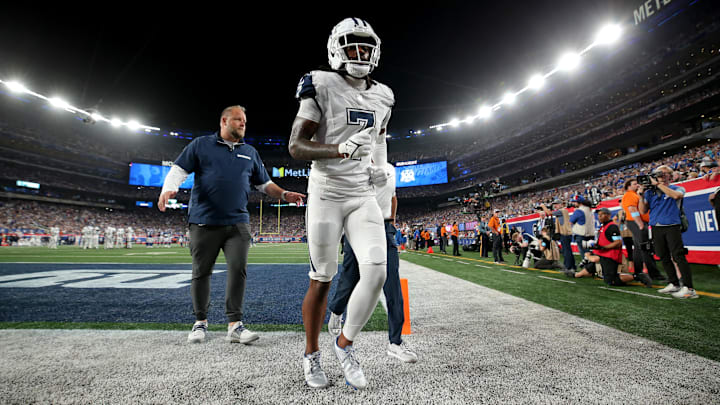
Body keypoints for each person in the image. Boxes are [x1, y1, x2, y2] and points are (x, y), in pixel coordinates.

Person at [289, 17, 393, 390]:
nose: (360, 53)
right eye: (353, 46)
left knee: (377, 270)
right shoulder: (321, 83)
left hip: (362, 193)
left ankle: (345, 344)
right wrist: (338, 149)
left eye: (366, 47)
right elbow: (296, 146)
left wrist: (380, 169)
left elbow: (379, 139)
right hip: (327, 192)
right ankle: (311, 355)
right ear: (337, 48)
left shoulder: (384, 95)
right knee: (322, 280)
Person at [159, 105, 305, 344]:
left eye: (244, 121)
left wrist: (284, 194)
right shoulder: (200, 145)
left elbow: (264, 184)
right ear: (224, 121)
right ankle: (200, 322)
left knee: (238, 270)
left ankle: (235, 325)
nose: (243, 124)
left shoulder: (250, 151)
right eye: (238, 120)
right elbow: (179, 169)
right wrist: (169, 189)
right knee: (201, 273)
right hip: (203, 221)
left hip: (237, 223)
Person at [327, 163, 417, 364]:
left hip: (384, 228)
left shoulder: (390, 169)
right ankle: (337, 310)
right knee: (350, 277)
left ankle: (395, 342)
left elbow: (393, 196)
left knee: (393, 285)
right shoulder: (355, 164)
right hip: (357, 225)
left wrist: (391, 221)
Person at [639, 166, 697, 298]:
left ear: (670, 176)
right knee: (663, 256)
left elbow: (677, 196)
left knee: (678, 256)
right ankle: (674, 283)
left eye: (663, 174)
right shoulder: (650, 192)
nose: (660, 176)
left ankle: (689, 288)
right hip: (656, 226)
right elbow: (642, 210)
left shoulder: (676, 188)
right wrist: (641, 195)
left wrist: (658, 184)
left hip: (672, 225)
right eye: (658, 174)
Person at [564, 208, 652, 288]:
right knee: (591, 266)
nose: (599, 217)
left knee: (611, 280)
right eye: (598, 215)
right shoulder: (604, 226)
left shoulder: (612, 227)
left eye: (602, 215)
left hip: (610, 256)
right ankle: (576, 275)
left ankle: (637, 276)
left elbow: (618, 242)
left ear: (608, 215)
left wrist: (602, 248)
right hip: (603, 254)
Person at [621, 179, 663, 280]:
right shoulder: (629, 195)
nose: (637, 185)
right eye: (634, 184)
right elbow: (632, 210)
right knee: (645, 247)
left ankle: (638, 272)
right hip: (636, 222)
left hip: (636, 222)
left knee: (639, 248)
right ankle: (654, 274)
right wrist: (640, 223)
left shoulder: (634, 195)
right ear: (628, 186)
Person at [542, 200, 574, 271]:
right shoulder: (563, 211)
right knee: (568, 251)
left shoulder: (561, 211)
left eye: (556, 204)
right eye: (554, 204)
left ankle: (567, 267)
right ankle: (572, 266)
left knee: (566, 251)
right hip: (567, 233)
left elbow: (549, 213)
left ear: (561, 204)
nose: (555, 206)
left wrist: (543, 206)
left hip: (565, 234)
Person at [569, 195, 595, 260]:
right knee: (589, 253)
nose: (573, 204)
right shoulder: (589, 209)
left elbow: (570, 222)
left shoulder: (579, 211)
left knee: (585, 255)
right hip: (590, 234)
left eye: (575, 202)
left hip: (581, 235)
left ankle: (587, 268)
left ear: (579, 202)